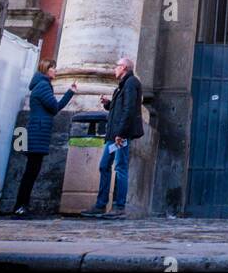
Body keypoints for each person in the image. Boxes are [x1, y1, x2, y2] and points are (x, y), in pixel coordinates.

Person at [12, 58, 76, 217]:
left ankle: (22, 206)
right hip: (38, 133)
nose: (56, 71)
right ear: (46, 70)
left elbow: (54, 108)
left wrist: (70, 93)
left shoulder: (40, 85)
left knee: (31, 171)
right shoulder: (43, 86)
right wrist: (69, 93)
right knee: (31, 172)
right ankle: (20, 206)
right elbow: (54, 108)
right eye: (53, 68)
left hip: (37, 132)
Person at [83, 56, 144, 219]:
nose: (114, 69)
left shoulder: (131, 83)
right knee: (104, 166)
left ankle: (119, 206)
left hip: (120, 135)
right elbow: (120, 107)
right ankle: (100, 205)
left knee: (120, 168)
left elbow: (129, 109)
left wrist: (121, 134)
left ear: (124, 67)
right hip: (113, 134)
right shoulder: (123, 85)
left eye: (117, 66)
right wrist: (108, 103)